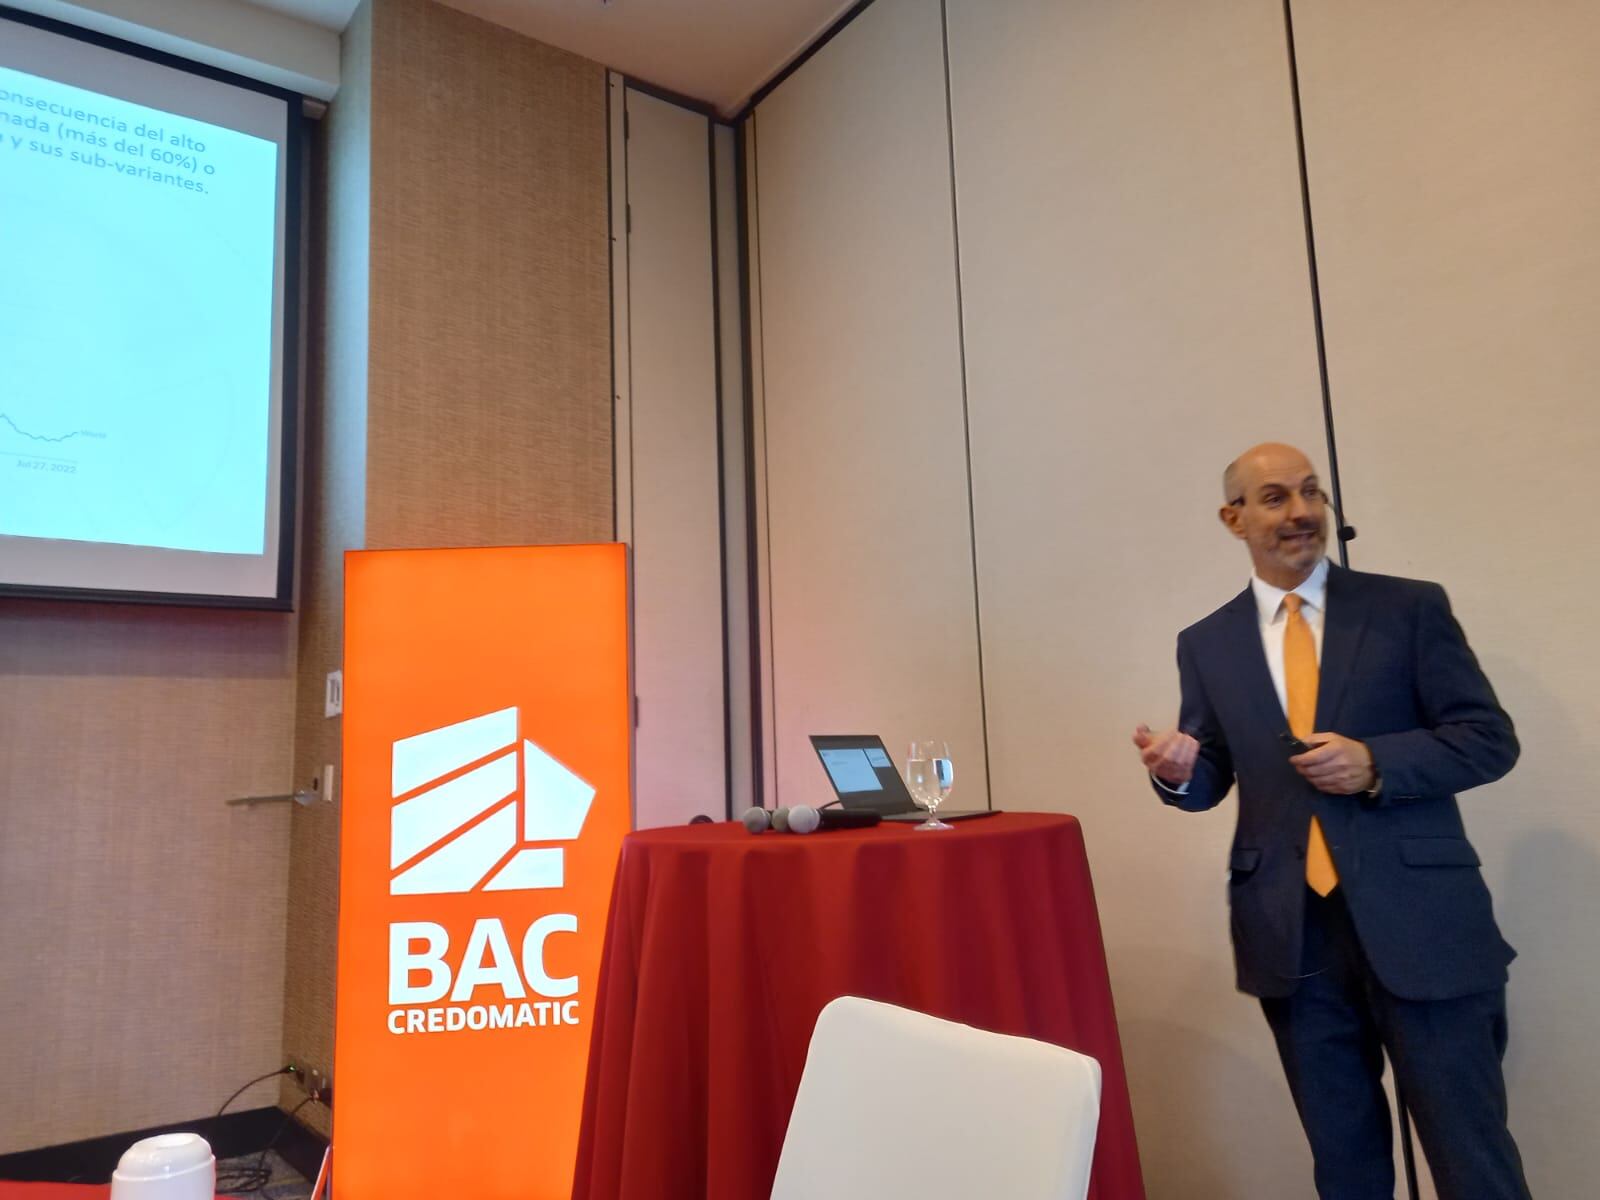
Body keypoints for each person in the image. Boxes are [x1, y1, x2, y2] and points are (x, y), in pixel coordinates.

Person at [1132, 442, 1531, 1200]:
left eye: (1312, 492)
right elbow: (1213, 770)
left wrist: (1376, 762)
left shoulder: (1408, 609)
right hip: (1292, 935)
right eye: (1276, 497)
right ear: (1233, 519)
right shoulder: (1207, 643)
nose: (1302, 512)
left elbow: (1488, 739)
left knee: (1472, 1160)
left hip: (1423, 925)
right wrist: (1178, 772)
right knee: (1345, 1169)